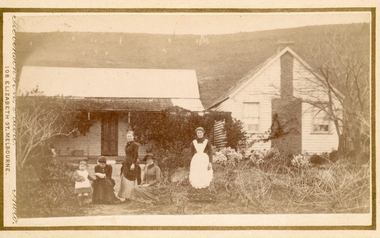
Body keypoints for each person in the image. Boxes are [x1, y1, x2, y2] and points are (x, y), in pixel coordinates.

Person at [118, 131, 141, 202]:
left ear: (133, 137)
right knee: (125, 179)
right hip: (126, 164)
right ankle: (125, 197)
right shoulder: (127, 145)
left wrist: (133, 164)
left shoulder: (135, 145)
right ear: (126, 137)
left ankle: (130, 197)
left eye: (130, 136)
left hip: (131, 164)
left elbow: (136, 155)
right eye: (128, 136)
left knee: (130, 180)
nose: (129, 137)